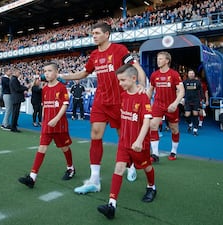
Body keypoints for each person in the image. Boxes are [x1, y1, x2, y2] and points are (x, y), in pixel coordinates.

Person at [59, 22, 147, 194]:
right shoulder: (93, 55)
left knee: (125, 139)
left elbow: (136, 68)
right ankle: (94, 179)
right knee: (95, 135)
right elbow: (84, 73)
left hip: (120, 102)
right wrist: (64, 77)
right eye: (93, 33)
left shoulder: (119, 50)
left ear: (107, 34)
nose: (94, 36)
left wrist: (142, 84)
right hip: (101, 101)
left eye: (97, 33)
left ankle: (131, 166)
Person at [97, 64, 156, 220]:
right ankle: (111, 204)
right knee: (119, 168)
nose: (120, 83)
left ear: (134, 78)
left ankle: (151, 187)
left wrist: (138, 140)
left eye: (123, 80)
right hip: (124, 142)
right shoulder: (123, 96)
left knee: (146, 166)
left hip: (139, 144)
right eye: (119, 80)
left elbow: (146, 121)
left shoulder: (143, 97)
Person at [18, 62, 75, 188]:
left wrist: (56, 119)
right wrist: (44, 120)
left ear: (56, 72)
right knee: (41, 148)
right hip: (47, 126)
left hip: (59, 125)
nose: (47, 73)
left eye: (49, 71)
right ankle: (32, 178)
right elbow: (44, 106)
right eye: (45, 71)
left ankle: (71, 168)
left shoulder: (61, 87)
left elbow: (65, 105)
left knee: (64, 148)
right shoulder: (44, 89)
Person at [147, 51, 185, 162]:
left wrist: (175, 103)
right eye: (158, 59)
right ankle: (154, 154)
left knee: (174, 129)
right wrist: (144, 103)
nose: (158, 61)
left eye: (160, 59)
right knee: (153, 126)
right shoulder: (154, 75)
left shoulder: (174, 74)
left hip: (171, 106)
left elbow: (181, 91)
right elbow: (150, 90)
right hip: (158, 105)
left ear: (167, 60)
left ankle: (174, 151)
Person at [183, 69, 204, 136]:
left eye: (192, 73)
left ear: (194, 74)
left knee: (195, 114)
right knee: (187, 115)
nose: (191, 74)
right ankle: (190, 124)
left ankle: (195, 130)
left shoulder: (197, 82)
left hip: (196, 100)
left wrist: (202, 99)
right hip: (187, 100)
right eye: (190, 73)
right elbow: (182, 91)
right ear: (188, 74)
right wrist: (182, 99)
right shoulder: (185, 82)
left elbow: (201, 91)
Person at [9, 68, 29, 133]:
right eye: (18, 73)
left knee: (15, 113)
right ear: (15, 72)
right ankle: (13, 127)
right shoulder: (14, 79)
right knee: (15, 113)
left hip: (15, 98)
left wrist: (24, 88)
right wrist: (25, 88)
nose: (19, 74)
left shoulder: (13, 79)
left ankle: (13, 125)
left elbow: (18, 87)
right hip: (16, 98)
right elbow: (18, 89)